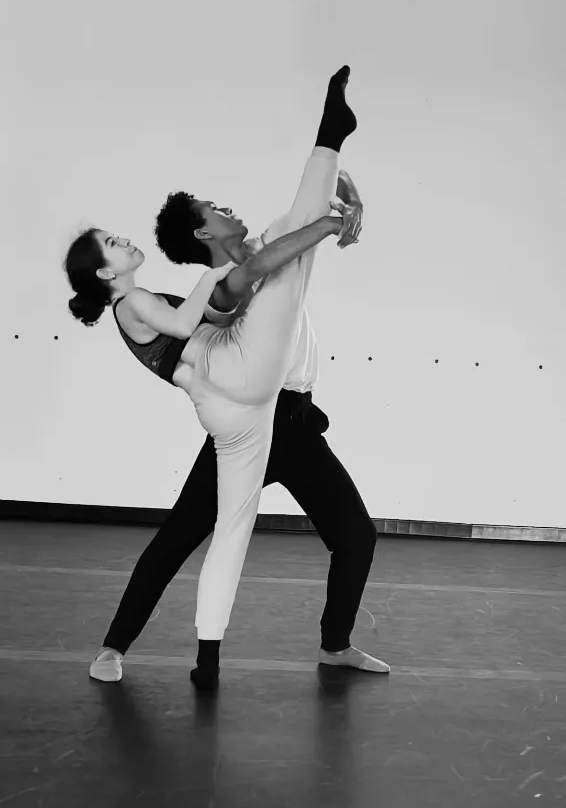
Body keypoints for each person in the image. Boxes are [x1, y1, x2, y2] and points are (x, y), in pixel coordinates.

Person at [65, 66, 390, 690]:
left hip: (294, 421)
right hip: (247, 419)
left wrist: (342, 205)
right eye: (215, 209)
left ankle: (335, 645)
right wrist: (325, 218)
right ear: (201, 233)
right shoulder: (228, 281)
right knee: (177, 539)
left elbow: (294, 227)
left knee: (357, 535)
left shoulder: (267, 247)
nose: (227, 207)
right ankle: (114, 645)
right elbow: (256, 269)